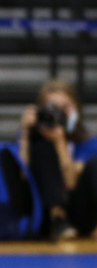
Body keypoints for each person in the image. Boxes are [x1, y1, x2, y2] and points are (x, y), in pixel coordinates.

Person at [20, 79, 97, 241]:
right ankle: (57, 217)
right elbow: (21, 179)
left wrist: (60, 142)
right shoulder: (33, 142)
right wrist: (25, 136)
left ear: (77, 109)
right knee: (41, 145)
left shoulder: (89, 144)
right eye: (53, 108)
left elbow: (70, 183)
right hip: (43, 212)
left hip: (79, 212)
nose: (60, 114)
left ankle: (64, 220)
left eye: (65, 107)